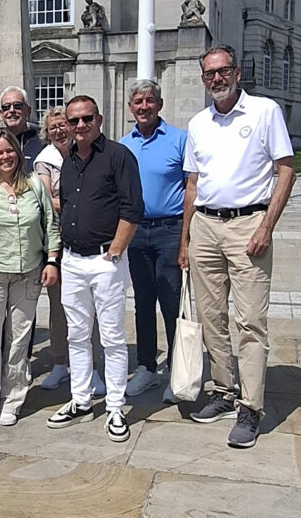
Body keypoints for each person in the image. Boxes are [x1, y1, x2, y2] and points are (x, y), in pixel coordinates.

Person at [178, 45, 295, 450]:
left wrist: (267, 225)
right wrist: (186, 237)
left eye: (222, 71)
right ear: (203, 79)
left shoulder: (264, 112)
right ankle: (224, 390)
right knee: (211, 318)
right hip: (206, 225)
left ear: (237, 72)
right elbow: (192, 185)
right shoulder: (198, 124)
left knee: (249, 321)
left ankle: (250, 405)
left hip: (249, 224)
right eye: (209, 73)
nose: (216, 79)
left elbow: (286, 170)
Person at [47, 95, 143, 444]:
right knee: (77, 334)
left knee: (113, 337)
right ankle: (81, 398)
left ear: (98, 119)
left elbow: (132, 209)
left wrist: (115, 252)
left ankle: (115, 406)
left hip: (106, 260)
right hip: (72, 260)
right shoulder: (69, 160)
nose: (80, 126)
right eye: (74, 121)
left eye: (87, 118)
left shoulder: (118, 156)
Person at [0, 131, 60, 430]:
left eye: (10, 151)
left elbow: (50, 226)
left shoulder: (33, 187)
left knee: (18, 341)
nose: (6, 157)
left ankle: (12, 401)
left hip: (28, 273)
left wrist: (52, 261)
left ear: (18, 153)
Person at [120, 79, 186, 402]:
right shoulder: (123, 145)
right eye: (138, 102)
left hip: (170, 230)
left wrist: (187, 238)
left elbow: (192, 191)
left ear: (159, 105)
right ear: (130, 107)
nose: (143, 106)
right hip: (136, 232)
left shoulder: (178, 140)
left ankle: (177, 369)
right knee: (143, 302)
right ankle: (146, 365)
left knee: (171, 301)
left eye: (149, 101)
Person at [34, 107, 104, 395]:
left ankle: (94, 368)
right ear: (47, 134)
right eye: (54, 128)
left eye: (63, 125)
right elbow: (46, 199)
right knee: (59, 306)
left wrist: (74, 202)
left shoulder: (87, 154)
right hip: (57, 241)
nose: (60, 131)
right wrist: (79, 203)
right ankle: (60, 363)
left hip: (89, 239)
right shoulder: (44, 160)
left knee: (94, 308)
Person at [0, 86, 44, 171]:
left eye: (17, 106)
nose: (12, 110)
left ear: (28, 111)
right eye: (6, 107)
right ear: (1, 114)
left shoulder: (42, 143)